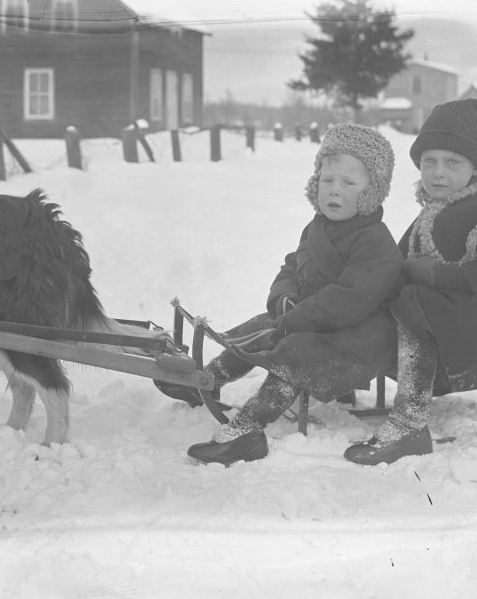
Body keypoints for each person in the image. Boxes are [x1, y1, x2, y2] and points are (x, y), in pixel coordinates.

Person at [155, 123, 404, 465]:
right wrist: (284, 299)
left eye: (349, 183)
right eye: (327, 180)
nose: (335, 190)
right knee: (262, 324)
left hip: (358, 338)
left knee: (294, 352)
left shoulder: (376, 242)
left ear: (372, 191)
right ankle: (210, 379)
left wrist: (296, 318)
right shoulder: (317, 227)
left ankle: (247, 430)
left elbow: (349, 299)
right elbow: (292, 267)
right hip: (315, 319)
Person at [344, 99, 477, 465]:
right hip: (468, 316)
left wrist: (436, 274)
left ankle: (410, 422)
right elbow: (397, 261)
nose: (438, 173)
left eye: (452, 163)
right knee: (391, 294)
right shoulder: (437, 208)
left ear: (476, 168)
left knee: (414, 300)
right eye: (429, 162)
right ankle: (339, 370)